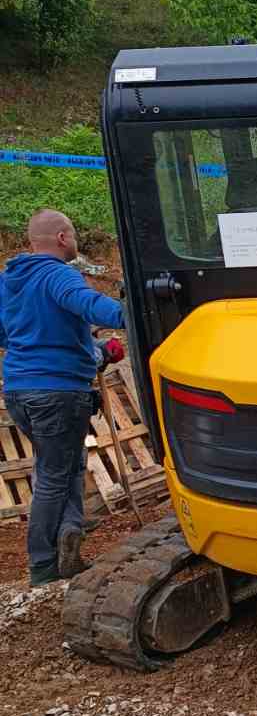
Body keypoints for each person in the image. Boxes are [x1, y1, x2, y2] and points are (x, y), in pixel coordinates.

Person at [0, 210, 125, 586]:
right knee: (54, 476)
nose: (75, 242)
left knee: (66, 465)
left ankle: (69, 532)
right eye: (73, 235)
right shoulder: (57, 274)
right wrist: (130, 311)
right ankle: (43, 564)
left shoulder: (9, 280)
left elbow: (11, 334)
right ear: (61, 237)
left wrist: (90, 348)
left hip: (20, 390)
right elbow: (86, 303)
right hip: (58, 392)